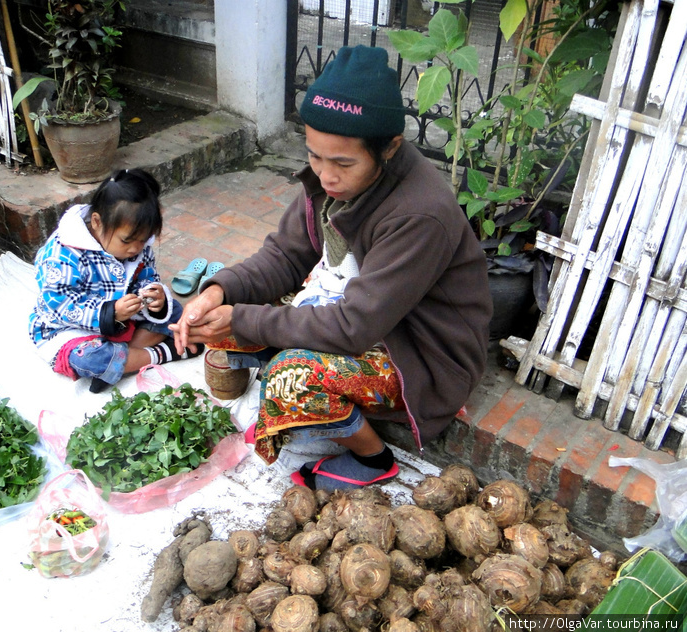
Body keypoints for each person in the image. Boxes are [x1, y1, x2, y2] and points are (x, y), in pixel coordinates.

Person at [170, 45, 492, 491]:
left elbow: (353, 327)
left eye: (342, 162)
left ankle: (374, 457)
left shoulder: (420, 213)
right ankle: (286, 394)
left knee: (291, 376)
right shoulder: (332, 180)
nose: (324, 176)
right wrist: (218, 292)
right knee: (228, 314)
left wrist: (244, 319)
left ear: (390, 148)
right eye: (314, 156)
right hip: (361, 311)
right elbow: (283, 255)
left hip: (416, 353)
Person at [29, 168, 201, 393]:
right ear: (97, 222)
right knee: (91, 358)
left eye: (143, 241)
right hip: (73, 329)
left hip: (125, 321)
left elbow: (147, 276)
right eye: (127, 241)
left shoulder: (137, 244)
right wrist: (110, 312)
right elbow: (61, 305)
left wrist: (154, 295)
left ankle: (123, 363)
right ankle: (163, 354)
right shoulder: (61, 254)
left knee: (173, 309)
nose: (135, 248)